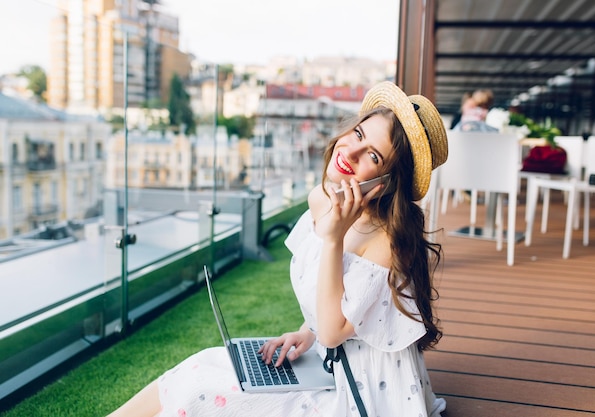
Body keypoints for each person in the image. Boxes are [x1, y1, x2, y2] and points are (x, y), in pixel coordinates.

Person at [106, 81, 449, 417]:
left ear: (389, 181)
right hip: (331, 362)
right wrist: (305, 333)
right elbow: (338, 313)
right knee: (202, 365)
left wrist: (333, 240)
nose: (351, 152)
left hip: (365, 393)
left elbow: (334, 330)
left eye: (373, 155)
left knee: (203, 394)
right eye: (358, 134)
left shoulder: (386, 241)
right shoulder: (323, 199)